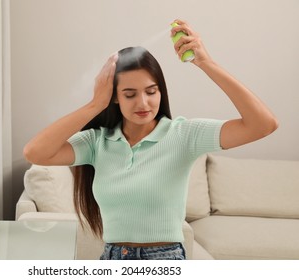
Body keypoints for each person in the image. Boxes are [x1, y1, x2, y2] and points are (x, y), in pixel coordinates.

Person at [23, 19, 278, 260]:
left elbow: (263, 125)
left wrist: (206, 63)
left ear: (160, 91)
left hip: (165, 259)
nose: (143, 103)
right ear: (115, 97)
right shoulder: (97, 143)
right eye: (130, 94)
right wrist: (94, 104)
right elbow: (36, 152)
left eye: (151, 91)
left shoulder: (183, 135)